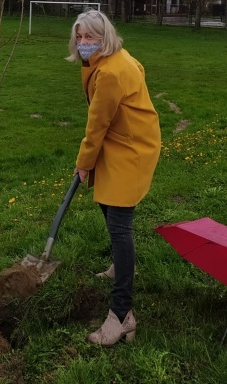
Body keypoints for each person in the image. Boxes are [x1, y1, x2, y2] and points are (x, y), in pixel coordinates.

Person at [67, 10, 161, 346]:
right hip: (121, 142)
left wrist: (84, 162)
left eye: (90, 37)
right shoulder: (115, 59)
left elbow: (97, 124)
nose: (83, 43)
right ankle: (121, 266)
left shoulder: (111, 72)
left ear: (104, 37)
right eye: (79, 37)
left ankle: (122, 314)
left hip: (130, 150)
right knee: (109, 208)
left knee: (120, 225)